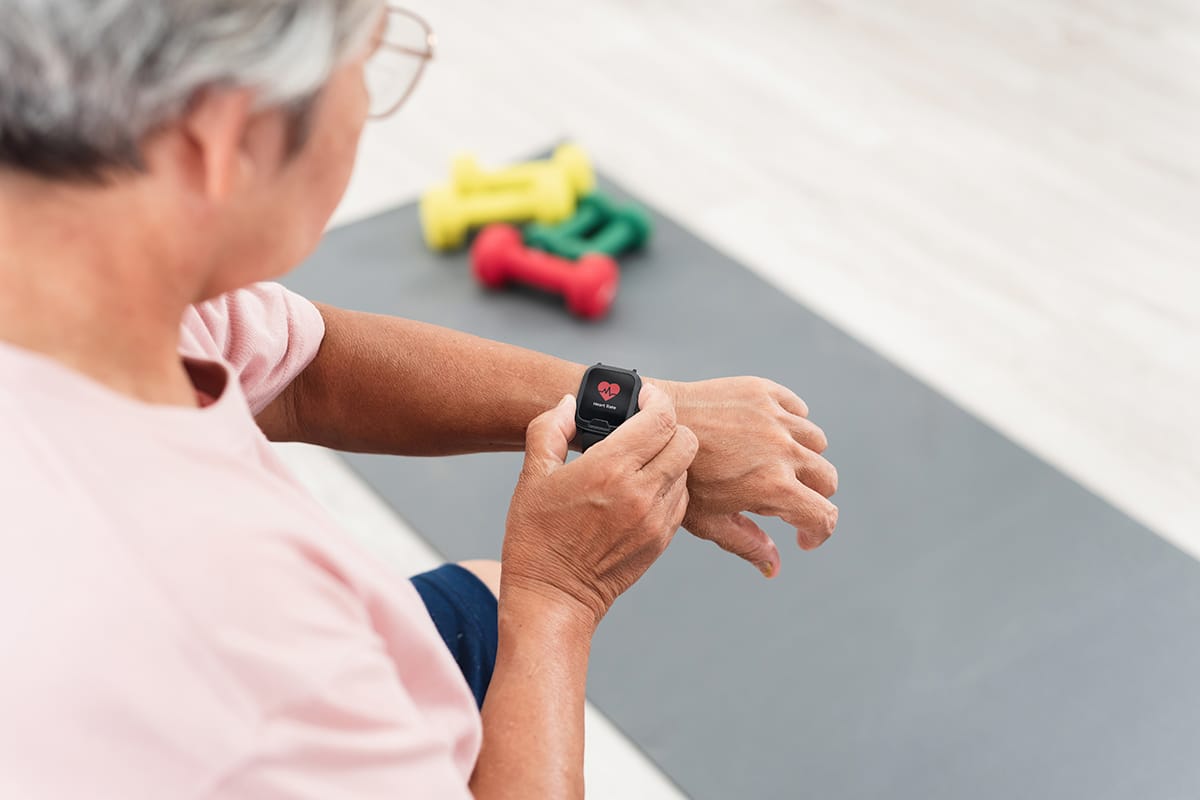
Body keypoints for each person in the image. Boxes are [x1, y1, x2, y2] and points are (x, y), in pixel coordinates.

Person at [0, 2, 838, 797]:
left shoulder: (98, 280)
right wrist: (561, 596)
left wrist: (646, 411)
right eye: (367, 61)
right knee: (516, 614)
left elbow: (309, 369)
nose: (367, 102)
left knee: (485, 598)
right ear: (226, 136)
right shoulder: (258, 653)